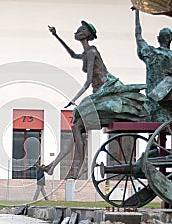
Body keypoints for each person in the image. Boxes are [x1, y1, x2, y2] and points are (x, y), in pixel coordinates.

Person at [38, 21, 148, 178]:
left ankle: (81, 165)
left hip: (105, 91)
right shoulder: (86, 52)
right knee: (76, 128)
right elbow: (71, 54)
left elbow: (89, 80)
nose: (77, 31)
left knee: (77, 126)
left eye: (81, 30)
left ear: (87, 34)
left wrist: (74, 99)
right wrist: (56, 36)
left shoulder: (92, 52)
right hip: (99, 92)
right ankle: (52, 166)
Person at [133, 7, 172, 121]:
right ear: (171, 40)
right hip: (169, 104)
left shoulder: (151, 53)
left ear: (158, 38)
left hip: (152, 101)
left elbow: (138, 36)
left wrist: (137, 13)